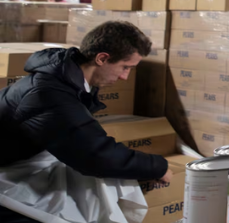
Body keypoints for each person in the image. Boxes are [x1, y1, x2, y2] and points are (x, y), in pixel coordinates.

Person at [0, 21, 171, 222]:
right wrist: (158, 166)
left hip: (23, 156)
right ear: (102, 58)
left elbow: (85, 139)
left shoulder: (67, 77)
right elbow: (95, 155)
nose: (125, 77)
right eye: (125, 67)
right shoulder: (49, 94)